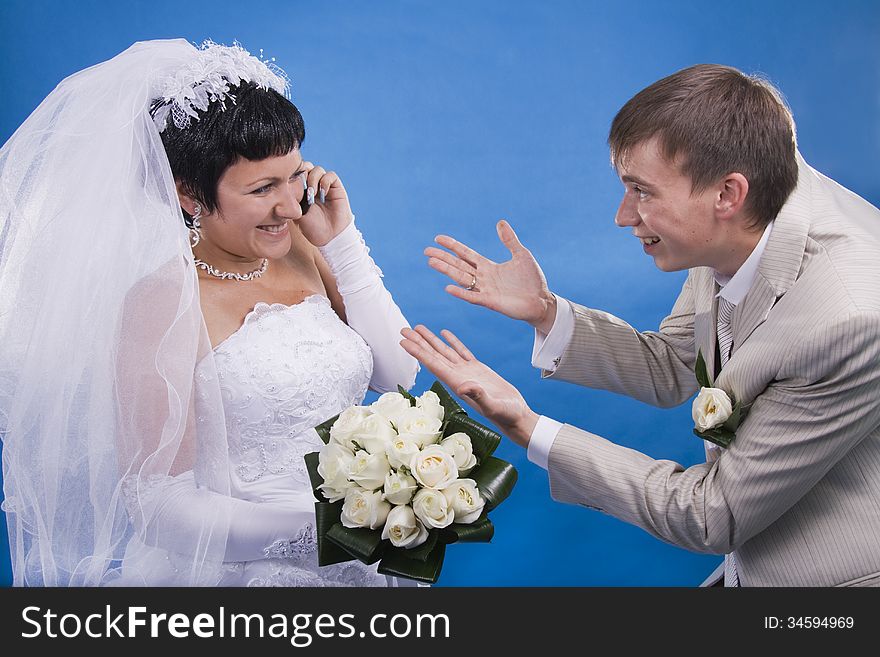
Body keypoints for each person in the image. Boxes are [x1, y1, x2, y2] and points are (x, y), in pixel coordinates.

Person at [400, 64, 880, 587]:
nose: (623, 216)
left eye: (641, 191)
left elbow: (712, 513)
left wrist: (525, 425)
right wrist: (545, 311)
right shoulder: (746, 213)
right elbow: (675, 363)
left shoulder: (847, 318)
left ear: (727, 194)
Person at [0, 39, 418, 586]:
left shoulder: (305, 246)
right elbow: (157, 504)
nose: (291, 206)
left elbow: (398, 373)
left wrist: (343, 242)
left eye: (295, 176)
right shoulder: (162, 302)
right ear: (190, 195)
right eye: (262, 188)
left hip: (359, 559)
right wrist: (327, 529)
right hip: (247, 573)